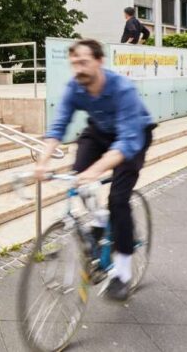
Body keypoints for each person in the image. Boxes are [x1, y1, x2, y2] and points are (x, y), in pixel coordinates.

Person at [34, 39, 156, 301]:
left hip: (133, 136)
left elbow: (126, 142)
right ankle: (101, 220)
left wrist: (96, 170)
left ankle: (122, 273)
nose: (78, 68)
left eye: (84, 62)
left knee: (118, 199)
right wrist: (42, 163)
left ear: (100, 61)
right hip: (100, 132)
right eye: (74, 63)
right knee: (78, 175)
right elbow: (58, 127)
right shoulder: (75, 88)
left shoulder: (122, 89)